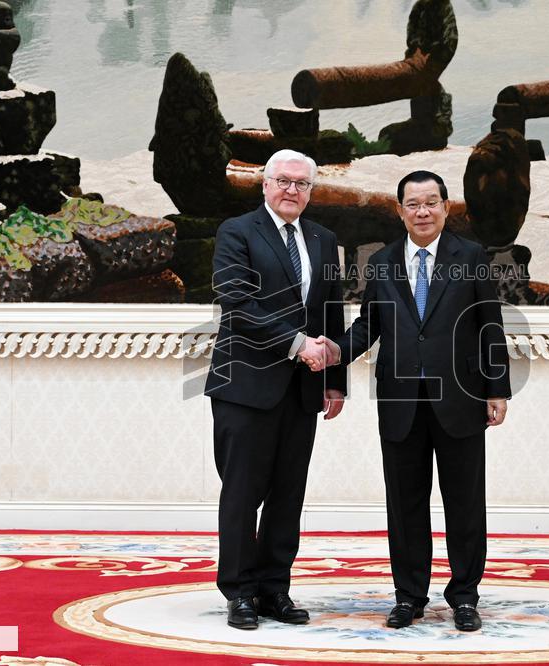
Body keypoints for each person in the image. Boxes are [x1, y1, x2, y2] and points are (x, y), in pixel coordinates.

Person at [309, 170, 510, 632]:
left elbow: (489, 326)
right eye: (412, 204)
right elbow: (368, 328)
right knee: (404, 504)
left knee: (464, 502)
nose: (422, 211)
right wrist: (334, 355)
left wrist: (496, 387)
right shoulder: (381, 262)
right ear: (399, 211)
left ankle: (464, 596)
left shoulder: (471, 256)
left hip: (460, 399)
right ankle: (409, 596)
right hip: (400, 402)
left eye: (431, 202)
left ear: (445, 207)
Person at [205, 149, 345, 630]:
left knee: (289, 493)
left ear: (311, 191)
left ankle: (275, 589)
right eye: (283, 181)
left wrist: (335, 380)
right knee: (243, 493)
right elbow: (236, 302)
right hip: (244, 385)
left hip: (303, 390)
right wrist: (295, 342)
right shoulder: (237, 232)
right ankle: (240, 592)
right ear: (264, 185)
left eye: (301, 184)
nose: (291, 190)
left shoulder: (324, 240)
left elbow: (331, 311)